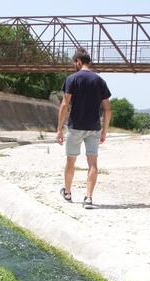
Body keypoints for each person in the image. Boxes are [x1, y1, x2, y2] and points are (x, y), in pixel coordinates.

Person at [56, 48, 112, 210]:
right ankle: (88, 198)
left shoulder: (71, 79)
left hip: (75, 127)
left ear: (79, 62)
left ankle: (67, 192)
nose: (74, 65)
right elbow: (108, 109)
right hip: (94, 128)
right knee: (92, 163)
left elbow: (65, 105)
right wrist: (104, 131)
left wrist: (59, 129)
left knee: (71, 160)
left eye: (75, 63)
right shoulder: (100, 81)